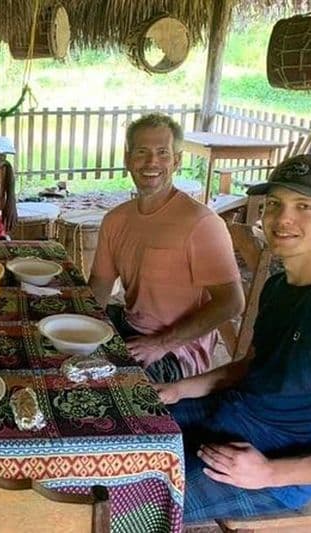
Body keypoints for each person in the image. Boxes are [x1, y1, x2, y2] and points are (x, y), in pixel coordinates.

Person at [157, 154, 311, 523]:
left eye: (304, 206)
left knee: (127, 510)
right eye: (274, 204)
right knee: (124, 429)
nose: (282, 218)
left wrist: (269, 473)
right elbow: (253, 366)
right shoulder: (278, 285)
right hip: (228, 415)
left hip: (269, 471)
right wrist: (179, 389)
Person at [89, 113, 244, 383]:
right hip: (130, 325)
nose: (151, 162)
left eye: (163, 153)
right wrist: (82, 328)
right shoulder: (115, 219)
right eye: (142, 152)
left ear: (177, 161)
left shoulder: (201, 223)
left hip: (177, 350)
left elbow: (231, 303)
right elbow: (100, 285)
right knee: (59, 348)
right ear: (128, 159)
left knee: (110, 385)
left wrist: (160, 344)